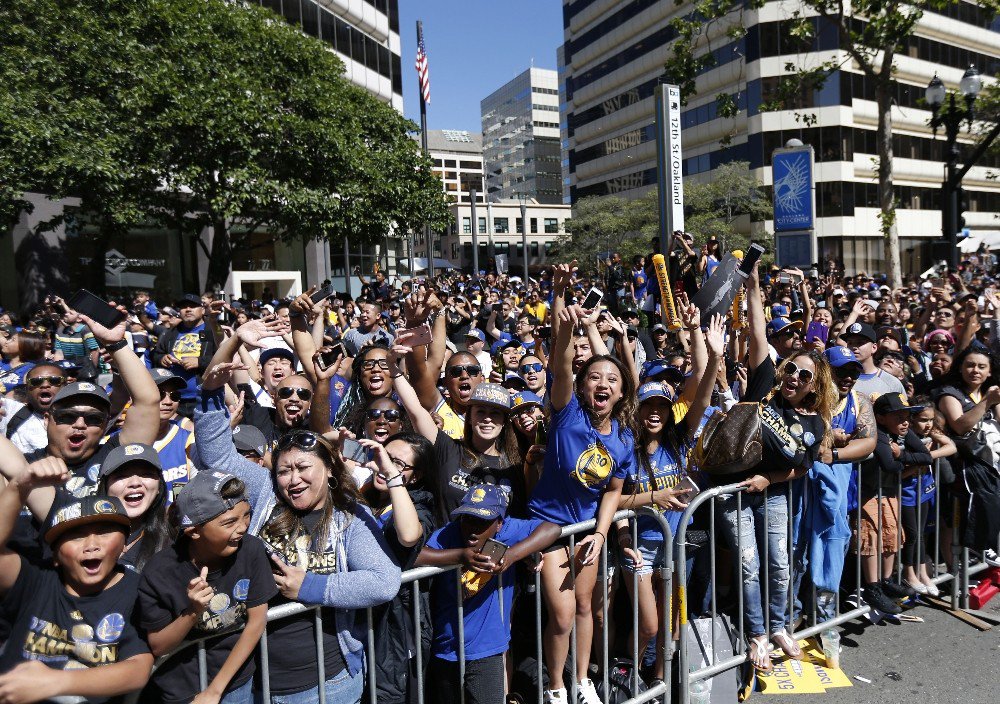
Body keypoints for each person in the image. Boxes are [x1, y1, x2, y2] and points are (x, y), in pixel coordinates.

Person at [194, 365, 401, 704]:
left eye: (304, 468)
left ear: (330, 471)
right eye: (284, 471)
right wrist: (210, 396)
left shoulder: (350, 517)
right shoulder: (265, 492)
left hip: (326, 682)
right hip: (255, 679)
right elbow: (218, 456)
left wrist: (308, 586)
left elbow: (385, 581)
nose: (293, 480)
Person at [716, 262, 832, 673]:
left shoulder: (815, 423)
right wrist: (753, 286)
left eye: (803, 374)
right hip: (731, 491)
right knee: (748, 563)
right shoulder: (765, 382)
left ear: (814, 385)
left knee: (780, 563)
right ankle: (757, 635)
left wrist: (770, 478)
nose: (794, 377)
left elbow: (803, 467)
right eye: (790, 369)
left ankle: (781, 625)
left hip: (774, 492)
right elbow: (758, 329)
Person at [530, 289, 636, 704]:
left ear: (622, 392)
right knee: (560, 614)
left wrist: (602, 532)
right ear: (581, 384)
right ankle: (556, 686)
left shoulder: (624, 439)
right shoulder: (567, 411)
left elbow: (614, 489)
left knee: (584, 608)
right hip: (549, 528)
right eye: (594, 376)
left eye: (612, 379)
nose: (603, 383)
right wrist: (568, 331)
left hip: (588, 531)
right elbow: (559, 367)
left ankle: (581, 679)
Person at [617, 313, 724, 686]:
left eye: (661, 407)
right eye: (648, 407)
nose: (654, 413)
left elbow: (703, 397)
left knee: (672, 626)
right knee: (648, 625)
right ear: (638, 410)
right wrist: (654, 497)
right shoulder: (626, 450)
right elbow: (614, 503)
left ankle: (660, 684)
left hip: (676, 548)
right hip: (642, 549)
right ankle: (625, 677)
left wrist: (713, 358)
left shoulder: (680, 441)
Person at [0, 461, 153, 702]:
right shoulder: (35, 580)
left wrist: (56, 682)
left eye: (104, 532)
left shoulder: (137, 591)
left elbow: (138, 668)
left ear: (124, 546)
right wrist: (19, 486)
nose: (91, 545)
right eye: (76, 535)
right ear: (56, 555)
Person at [137, 470, 275, 704]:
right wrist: (192, 612)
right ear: (194, 532)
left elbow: (256, 622)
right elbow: (159, 646)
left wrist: (215, 690)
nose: (242, 528)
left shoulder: (251, 550)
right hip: (182, 691)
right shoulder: (159, 573)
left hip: (235, 683)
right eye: (229, 522)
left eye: (246, 516)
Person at [417, 485, 559, 704]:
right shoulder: (448, 534)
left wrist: (514, 554)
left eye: (482, 522)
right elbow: (416, 556)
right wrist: (459, 556)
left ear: (500, 523)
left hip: (487, 650)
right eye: (468, 519)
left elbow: (552, 529)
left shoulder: (508, 531)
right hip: (446, 648)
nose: (472, 529)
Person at [856, 393, 933, 613]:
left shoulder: (904, 433)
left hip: (888, 490)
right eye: (898, 416)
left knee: (891, 533)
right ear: (880, 418)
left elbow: (925, 456)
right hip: (868, 491)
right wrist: (904, 462)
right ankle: (872, 587)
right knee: (871, 536)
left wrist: (902, 453)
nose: (905, 421)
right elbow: (889, 465)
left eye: (907, 415)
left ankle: (886, 580)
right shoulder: (878, 435)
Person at [901, 399, 956, 596]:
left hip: (924, 491)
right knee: (912, 534)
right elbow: (898, 473)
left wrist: (928, 457)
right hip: (906, 494)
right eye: (924, 420)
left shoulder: (929, 434)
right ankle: (910, 573)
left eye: (931, 420)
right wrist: (918, 464)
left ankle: (923, 574)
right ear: (912, 418)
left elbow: (951, 446)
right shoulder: (904, 437)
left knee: (922, 534)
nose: (929, 424)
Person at [151, 294, 220, 418]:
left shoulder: (212, 330)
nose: (188, 309)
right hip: (174, 400)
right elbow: (156, 355)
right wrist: (162, 359)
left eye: (193, 306)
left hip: (205, 398)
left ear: (203, 309)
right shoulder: (170, 332)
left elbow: (224, 357)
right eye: (183, 307)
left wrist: (200, 362)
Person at [1, 362, 67, 453]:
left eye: (54, 380)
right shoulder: (10, 411)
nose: (45, 385)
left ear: (66, 386)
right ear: (27, 389)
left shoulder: (81, 418)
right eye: (36, 381)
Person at [840, 321, 906, 401]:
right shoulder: (839, 378)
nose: (854, 347)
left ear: (874, 348)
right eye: (850, 343)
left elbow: (902, 413)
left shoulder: (892, 382)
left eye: (860, 343)